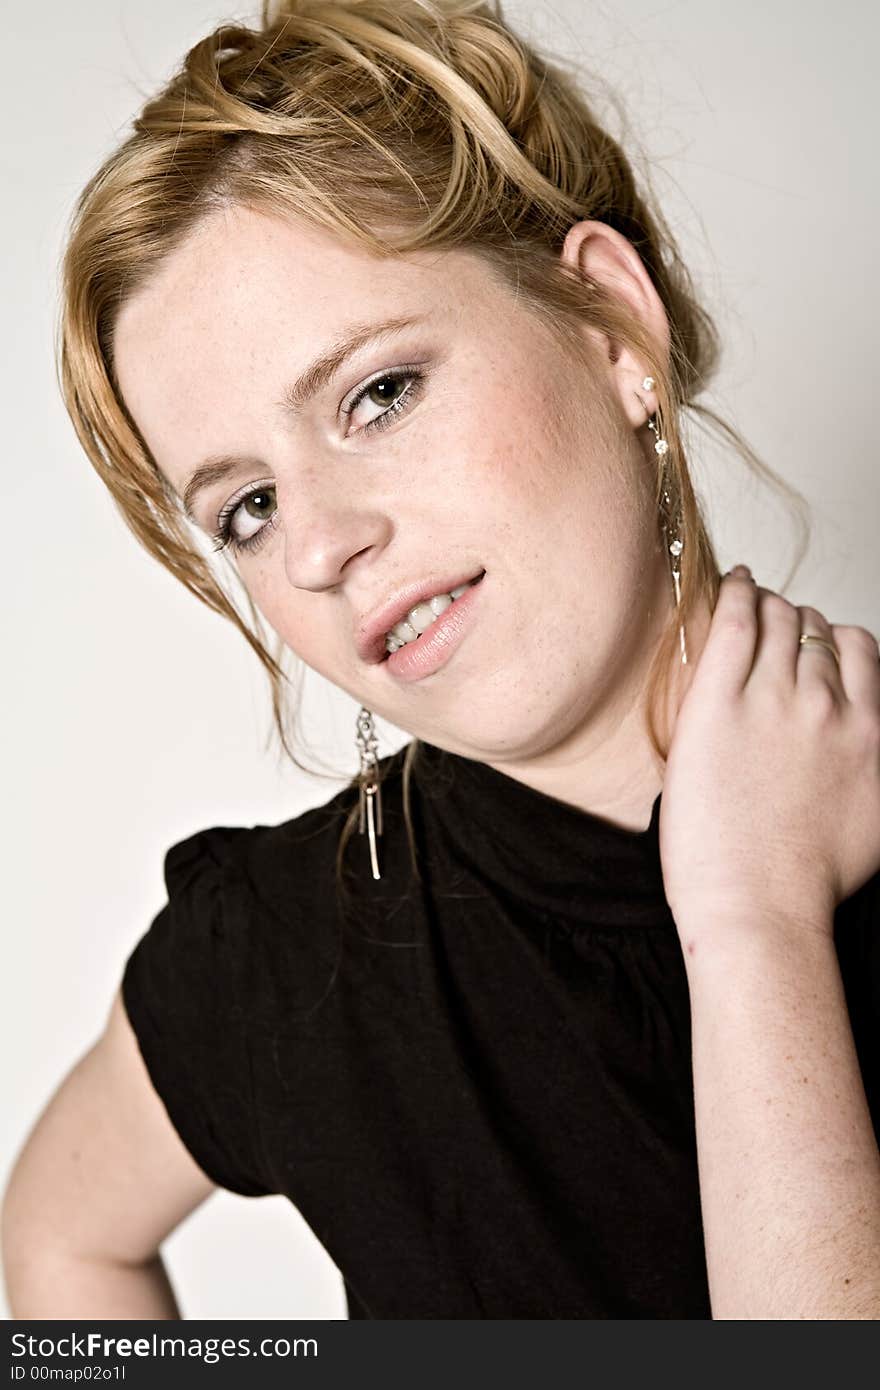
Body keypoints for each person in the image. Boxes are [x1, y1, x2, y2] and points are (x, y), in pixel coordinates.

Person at [2, 0, 879, 1320]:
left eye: (378, 393)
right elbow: (60, 1241)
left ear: (609, 323)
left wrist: (758, 925)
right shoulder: (287, 953)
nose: (321, 546)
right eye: (248, 505)